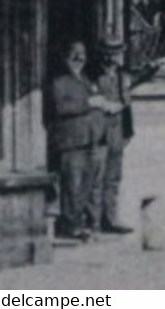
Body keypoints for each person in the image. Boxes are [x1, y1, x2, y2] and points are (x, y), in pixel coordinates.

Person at [90, 37, 157, 235]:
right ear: (102, 54)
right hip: (99, 131)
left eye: (117, 52)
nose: (114, 57)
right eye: (110, 53)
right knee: (96, 179)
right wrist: (103, 105)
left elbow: (137, 78)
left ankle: (109, 219)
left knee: (113, 177)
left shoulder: (121, 75)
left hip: (118, 132)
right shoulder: (92, 75)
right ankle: (93, 222)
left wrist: (153, 67)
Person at [46, 41, 106, 240]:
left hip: (89, 140)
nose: (79, 58)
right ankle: (69, 225)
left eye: (82, 54)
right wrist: (89, 103)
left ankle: (78, 222)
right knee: (72, 185)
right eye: (74, 54)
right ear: (65, 57)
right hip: (71, 142)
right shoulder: (59, 81)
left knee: (85, 185)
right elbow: (60, 108)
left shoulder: (86, 80)